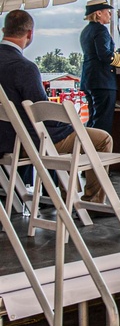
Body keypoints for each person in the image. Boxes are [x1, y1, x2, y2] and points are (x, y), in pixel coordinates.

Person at [1, 10, 114, 204]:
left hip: (4, 138)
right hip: (23, 141)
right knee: (101, 139)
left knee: (66, 138)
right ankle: (91, 203)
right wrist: (71, 125)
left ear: (4, 30)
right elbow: (42, 113)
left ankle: (68, 196)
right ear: (30, 34)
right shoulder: (24, 67)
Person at [79, 0, 120, 133]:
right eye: (108, 12)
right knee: (102, 123)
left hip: (90, 80)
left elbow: (97, 53)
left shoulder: (86, 31)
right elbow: (105, 56)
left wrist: (117, 54)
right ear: (98, 13)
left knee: (93, 120)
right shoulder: (100, 30)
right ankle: (99, 152)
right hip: (102, 82)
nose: (110, 15)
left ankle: (88, 151)